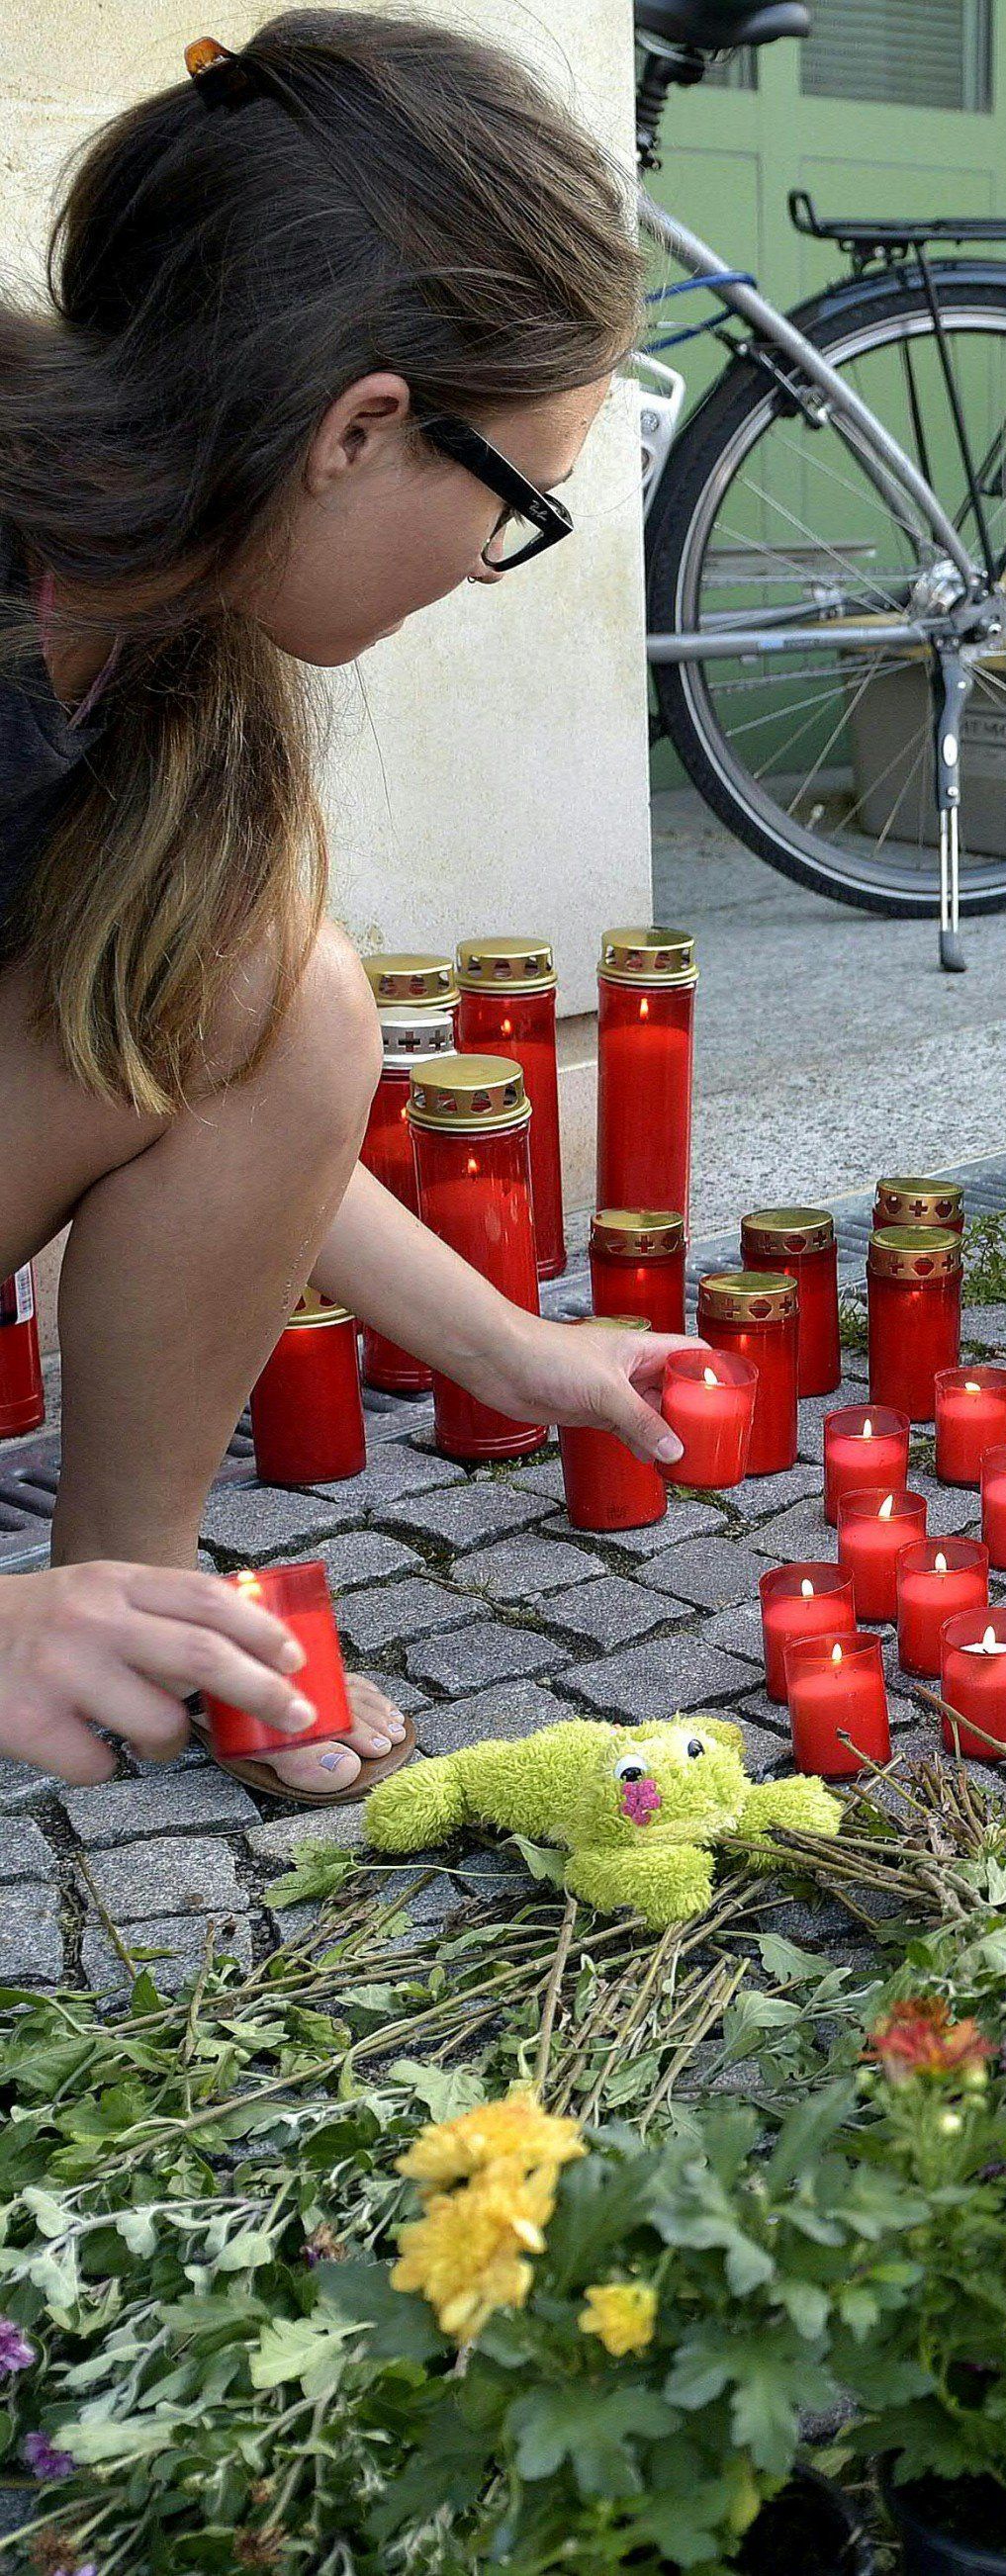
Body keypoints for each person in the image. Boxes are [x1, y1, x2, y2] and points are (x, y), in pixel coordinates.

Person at [0, 13, 697, 1804]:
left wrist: (519, 1352)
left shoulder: (156, 617)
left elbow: (252, 1087)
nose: (486, 569)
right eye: (513, 506)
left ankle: (137, 1605)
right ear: (363, 426)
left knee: (273, 981)